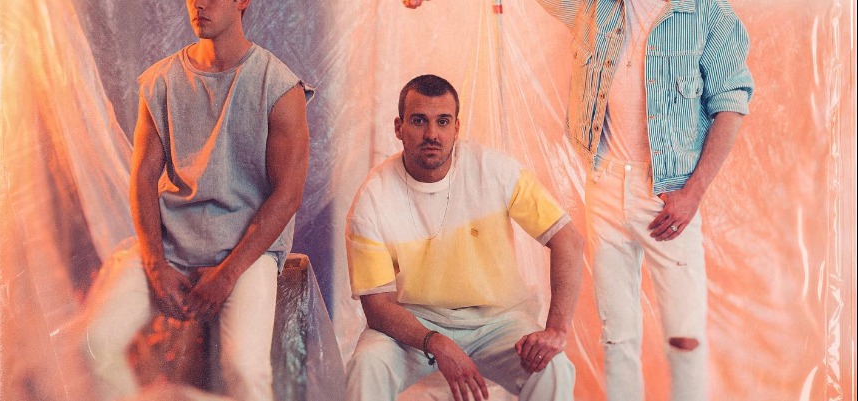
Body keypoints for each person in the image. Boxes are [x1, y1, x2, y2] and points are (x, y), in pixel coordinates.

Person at [404, 1, 755, 400]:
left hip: (669, 193)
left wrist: (692, 194)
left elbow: (731, 105)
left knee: (685, 336)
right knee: (617, 335)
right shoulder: (596, 7)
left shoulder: (709, 14)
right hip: (606, 185)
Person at [82, 0, 313, 400]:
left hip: (246, 254)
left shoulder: (278, 87)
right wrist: (156, 264)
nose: (199, 4)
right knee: (94, 343)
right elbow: (143, 180)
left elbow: (288, 195)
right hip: (172, 246)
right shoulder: (161, 81)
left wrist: (226, 275)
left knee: (246, 369)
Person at [344, 74, 584, 401]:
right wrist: (436, 342)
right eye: (419, 121)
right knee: (367, 365)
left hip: (499, 322)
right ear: (399, 128)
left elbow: (567, 239)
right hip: (414, 323)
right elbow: (378, 308)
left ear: (456, 128)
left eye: (443, 121)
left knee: (553, 368)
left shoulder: (494, 171)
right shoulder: (374, 198)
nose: (432, 134)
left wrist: (555, 329)